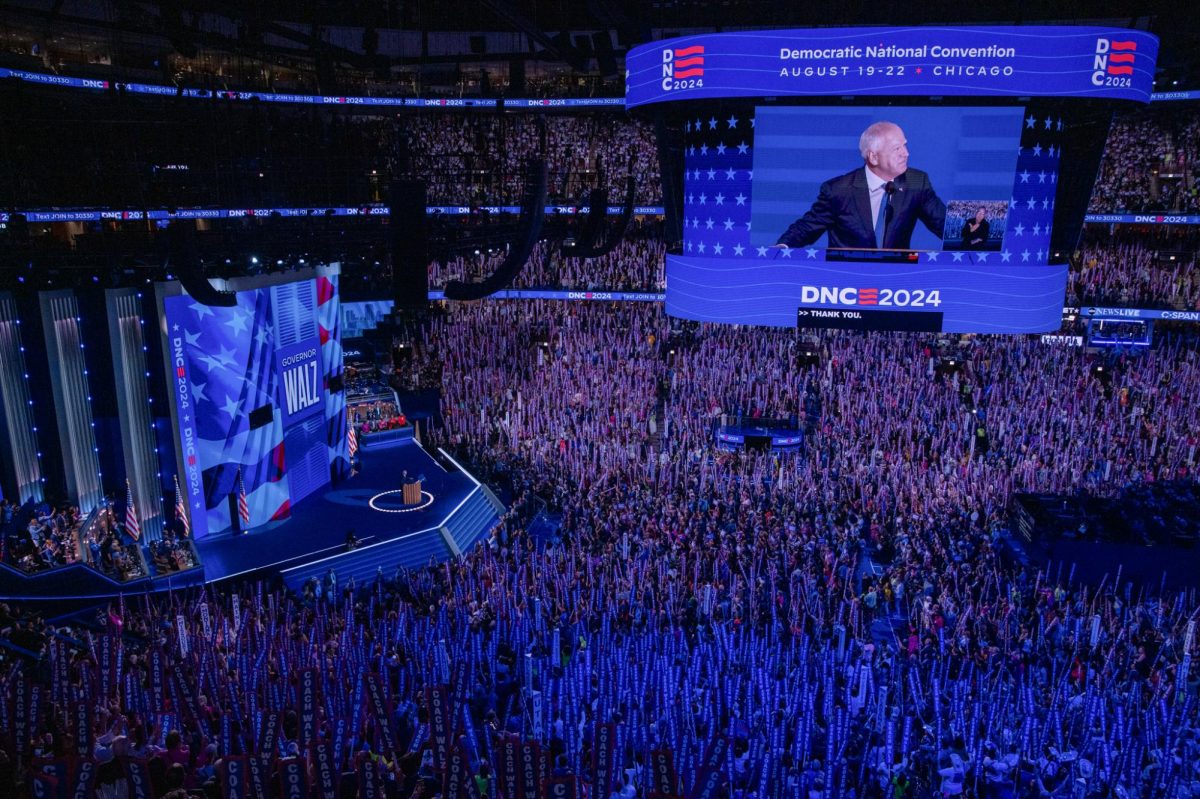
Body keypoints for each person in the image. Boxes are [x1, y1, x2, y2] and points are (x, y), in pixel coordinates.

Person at [775, 121, 945, 250]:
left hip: (895, 280)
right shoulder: (839, 190)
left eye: (905, 145)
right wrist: (781, 248)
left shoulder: (916, 181)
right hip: (846, 278)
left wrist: (970, 223)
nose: (906, 153)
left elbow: (944, 224)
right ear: (873, 157)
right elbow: (806, 228)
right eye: (897, 149)